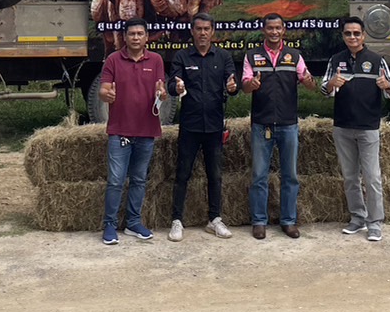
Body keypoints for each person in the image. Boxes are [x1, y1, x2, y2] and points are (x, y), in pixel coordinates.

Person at [242, 12, 319, 240]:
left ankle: (288, 221)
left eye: (278, 28)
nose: (274, 32)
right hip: (261, 124)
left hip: (288, 124)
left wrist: (308, 81)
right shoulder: (252, 56)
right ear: (263, 30)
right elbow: (245, 87)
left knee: (290, 175)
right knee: (258, 175)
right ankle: (258, 221)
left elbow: (311, 84)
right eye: (270, 28)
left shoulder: (294, 56)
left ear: (283, 30)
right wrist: (251, 84)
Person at [323, 17, 390, 242]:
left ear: (364, 36)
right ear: (343, 36)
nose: (352, 37)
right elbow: (324, 89)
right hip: (343, 127)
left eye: (356, 33)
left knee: (372, 177)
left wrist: (387, 86)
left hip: (368, 128)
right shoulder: (336, 60)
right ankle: (357, 218)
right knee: (349, 177)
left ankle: (375, 223)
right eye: (348, 33)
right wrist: (331, 85)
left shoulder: (377, 61)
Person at [166, 12, 239, 242]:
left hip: (215, 126)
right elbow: (171, 84)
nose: (203, 33)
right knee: (182, 174)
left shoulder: (224, 56)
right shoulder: (182, 56)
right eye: (198, 29)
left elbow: (233, 86)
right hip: (190, 125)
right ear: (192, 31)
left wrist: (232, 86)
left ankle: (215, 219)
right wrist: (175, 87)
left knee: (215, 175)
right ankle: (177, 220)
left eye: (207, 29)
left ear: (212, 32)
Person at [99, 18, 167, 245]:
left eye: (140, 33)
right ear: (125, 37)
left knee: (139, 179)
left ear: (147, 37)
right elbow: (104, 89)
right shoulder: (113, 60)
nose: (136, 37)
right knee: (116, 180)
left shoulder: (156, 60)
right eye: (132, 34)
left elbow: (161, 90)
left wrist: (162, 95)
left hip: (147, 130)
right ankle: (109, 225)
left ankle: (133, 222)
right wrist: (106, 95)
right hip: (120, 131)